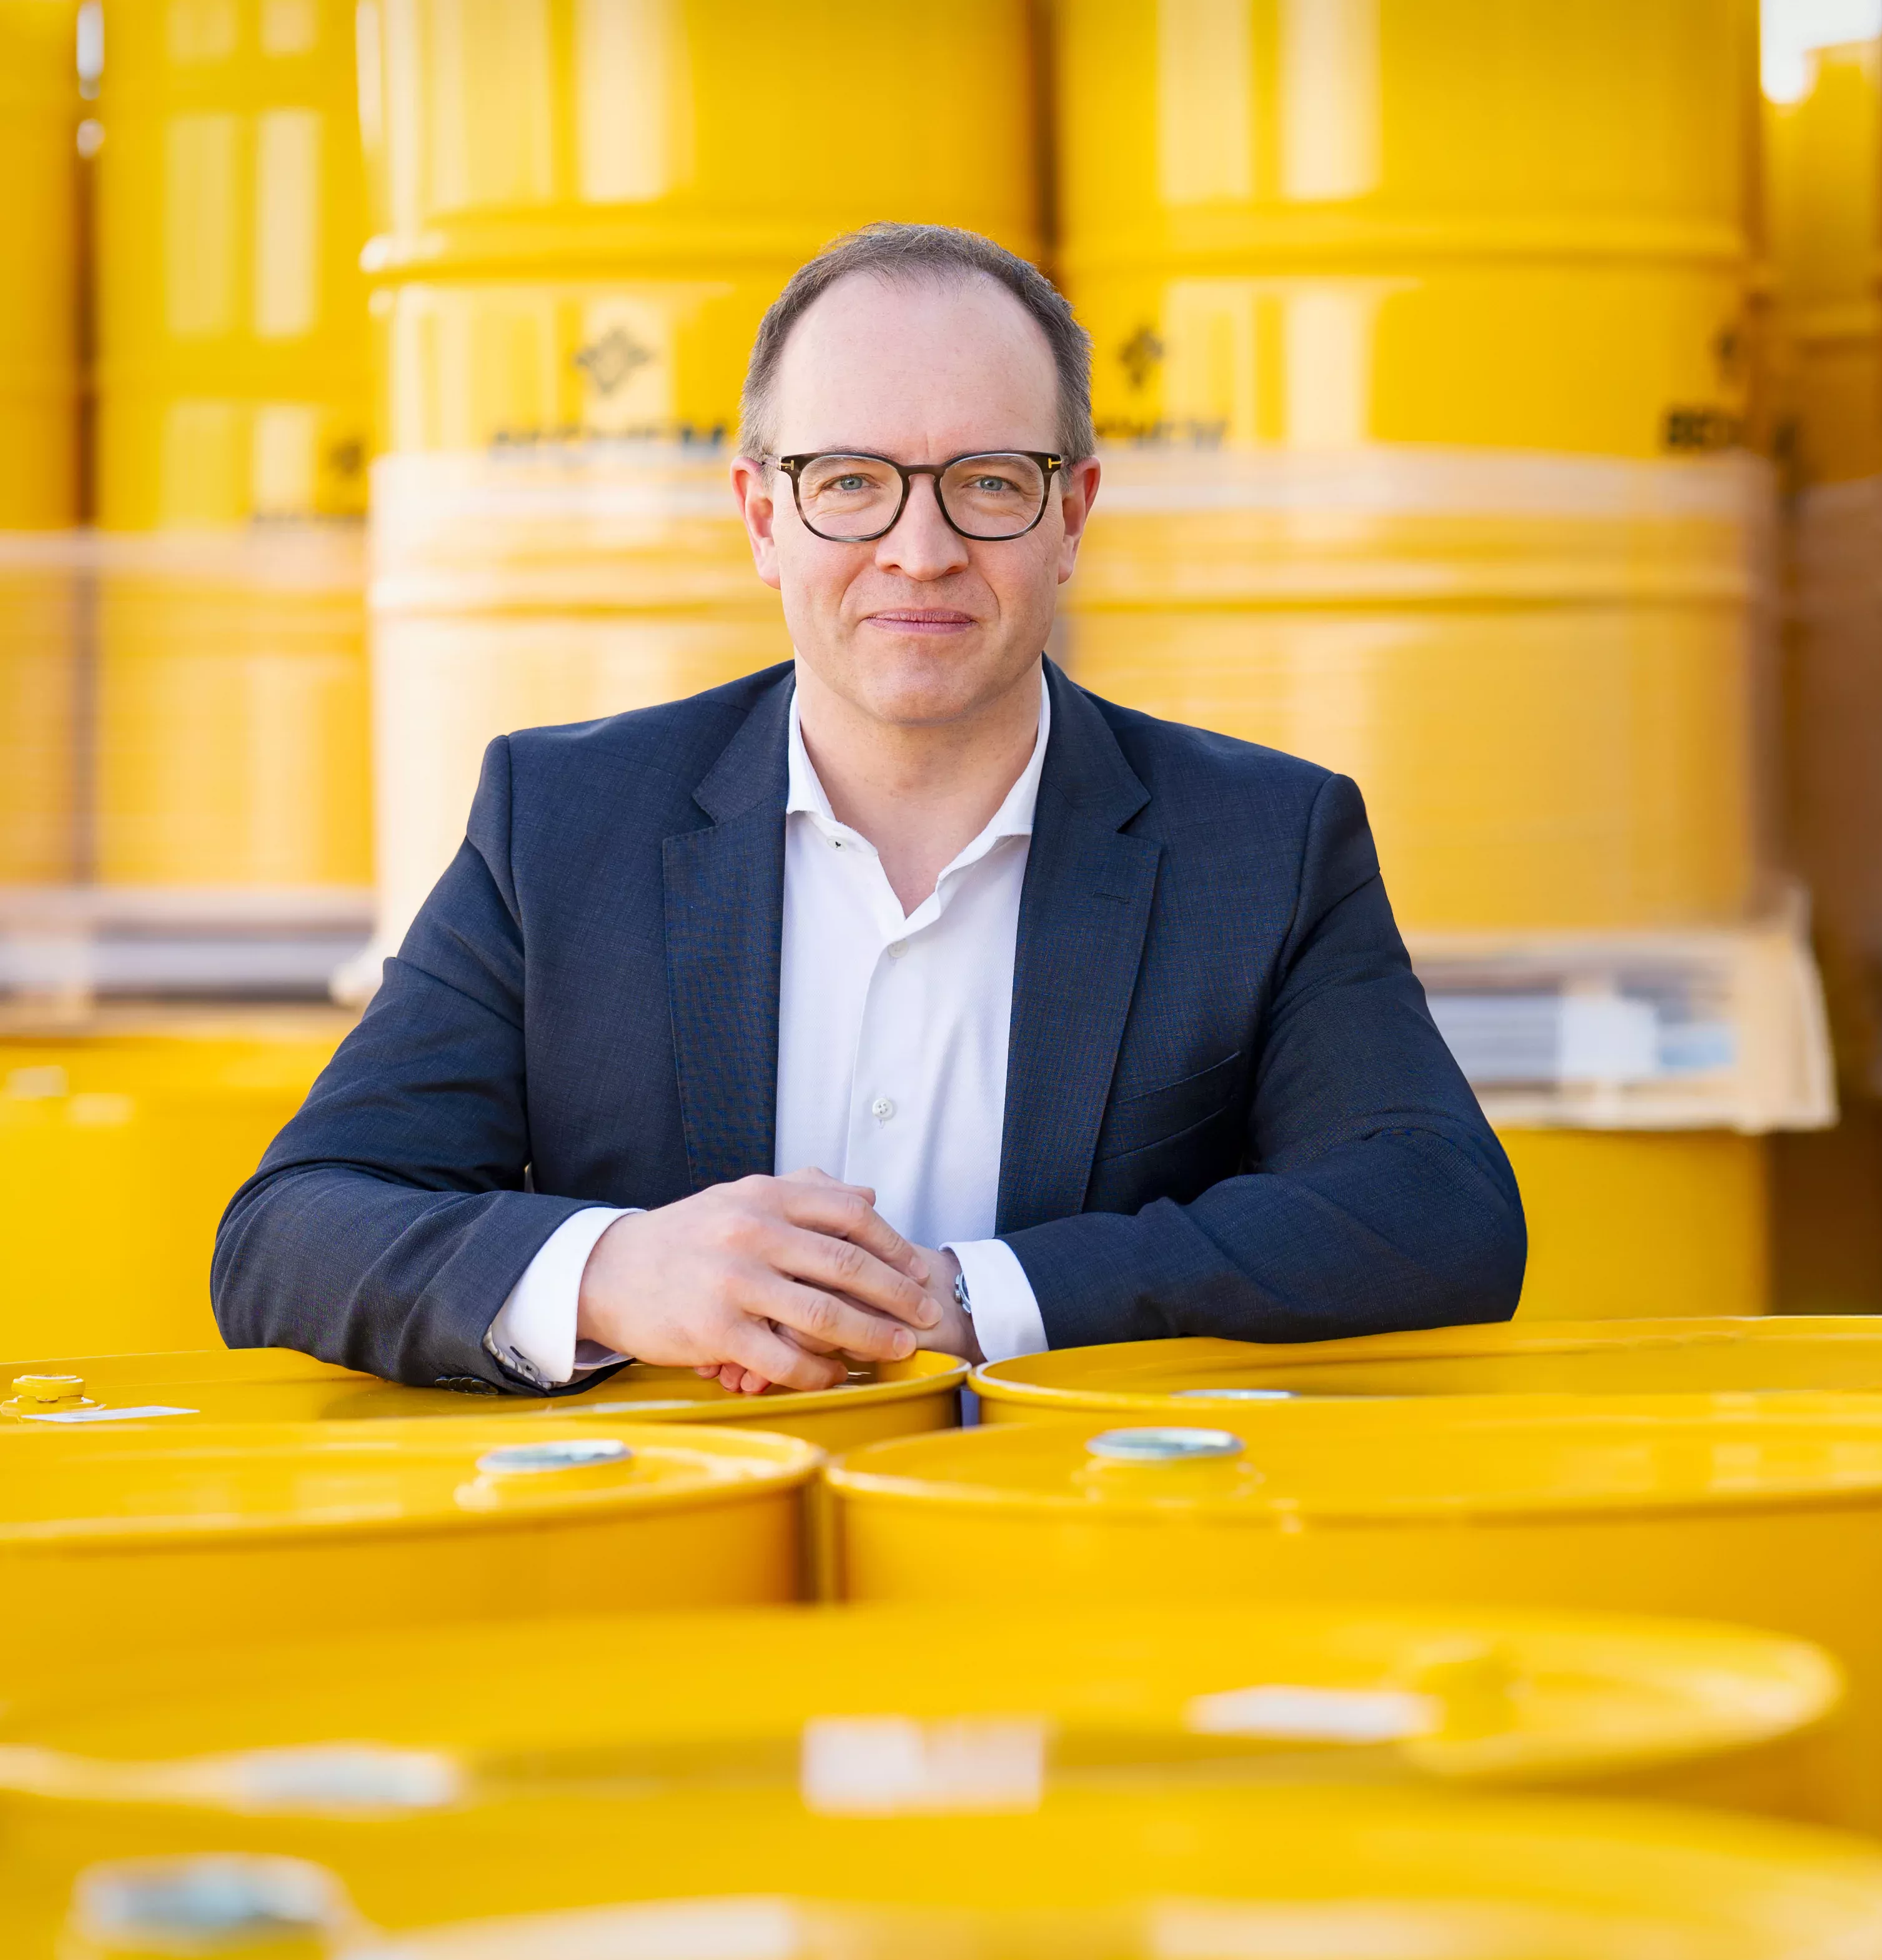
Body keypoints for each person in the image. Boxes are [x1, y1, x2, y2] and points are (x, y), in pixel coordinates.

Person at [214, 224, 1527, 1393]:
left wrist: (971, 1299)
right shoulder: (559, 821)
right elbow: (291, 1229)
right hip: (665, 1566)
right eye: (850, 480)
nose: (921, 548)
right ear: (761, 515)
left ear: (1071, 513)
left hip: (1086, 1572)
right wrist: (617, 1269)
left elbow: (1434, 1211)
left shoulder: (1268, 844)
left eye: (991, 480)